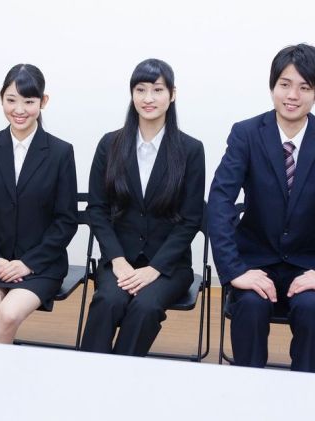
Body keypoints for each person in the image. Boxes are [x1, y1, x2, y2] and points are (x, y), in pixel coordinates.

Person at [208, 44, 315, 371]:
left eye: (304, 87)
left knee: (312, 308)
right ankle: (248, 389)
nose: (292, 95)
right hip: (254, 259)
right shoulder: (246, 134)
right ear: (273, 86)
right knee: (250, 307)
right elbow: (220, 201)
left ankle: (306, 391)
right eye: (285, 84)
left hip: (309, 262)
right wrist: (235, 270)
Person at [80, 58, 205, 356]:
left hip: (169, 266)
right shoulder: (109, 144)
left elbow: (190, 220)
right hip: (119, 260)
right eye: (141, 90)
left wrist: (155, 269)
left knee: (145, 306)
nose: (148, 98)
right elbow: (97, 209)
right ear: (132, 94)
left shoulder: (190, 150)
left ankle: (122, 374)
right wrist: (118, 260)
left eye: (157, 90)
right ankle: (87, 373)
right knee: (108, 301)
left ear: (172, 95)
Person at [0, 64, 77, 344]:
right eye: (11, 100)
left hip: (41, 265)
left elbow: (66, 221)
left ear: (43, 101)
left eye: (29, 101)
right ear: (1, 99)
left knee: (7, 314)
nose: (19, 110)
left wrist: (28, 263)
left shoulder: (60, 153)